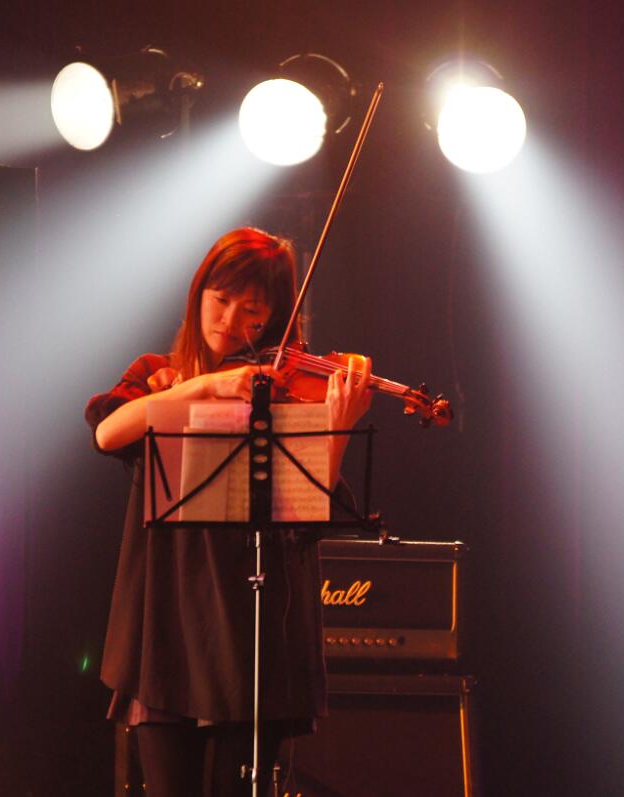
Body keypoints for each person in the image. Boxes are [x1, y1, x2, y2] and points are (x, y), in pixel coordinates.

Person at [84, 227, 372, 796]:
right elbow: (108, 433)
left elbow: (308, 511)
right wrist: (205, 388)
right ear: (199, 294)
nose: (231, 320)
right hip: (165, 626)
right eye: (221, 300)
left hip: (249, 630)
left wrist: (336, 430)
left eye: (254, 312)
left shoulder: (275, 388)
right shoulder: (157, 376)